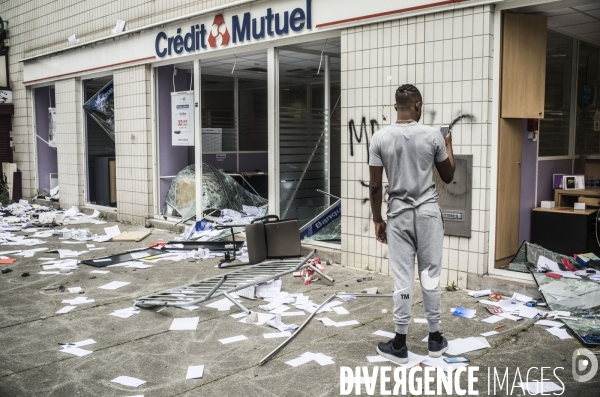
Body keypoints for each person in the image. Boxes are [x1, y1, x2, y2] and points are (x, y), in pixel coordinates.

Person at [368, 84, 455, 364]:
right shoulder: (433, 136)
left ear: (396, 107)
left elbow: (374, 186)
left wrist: (378, 220)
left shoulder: (379, 137)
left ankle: (400, 343)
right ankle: (434, 339)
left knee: (403, 279)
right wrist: (449, 144)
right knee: (430, 275)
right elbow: (449, 175)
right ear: (417, 105)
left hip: (398, 215)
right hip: (428, 213)